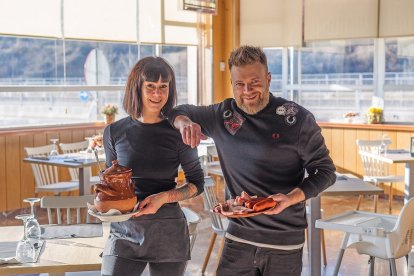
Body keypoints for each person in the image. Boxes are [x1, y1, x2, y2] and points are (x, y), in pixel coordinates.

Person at [170, 45, 336, 275]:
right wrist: (184, 123)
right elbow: (174, 110)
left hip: (285, 242)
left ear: (268, 79)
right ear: (232, 83)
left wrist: (290, 199)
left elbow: (326, 171)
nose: (247, 91)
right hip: (238, 238)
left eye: (255, 82)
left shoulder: (297, 119)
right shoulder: (222, 115)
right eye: (239, 84)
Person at [101, 56, 205, 276]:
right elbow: (110, 181)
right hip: (125, 230)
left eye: (163, 87)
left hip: (167, 231)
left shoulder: (180, 133)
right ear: (136, 88)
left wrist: (163, 198)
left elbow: (197, 183)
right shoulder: (114, 132)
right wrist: (102, 201)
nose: (157, 94)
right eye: (150, 86)